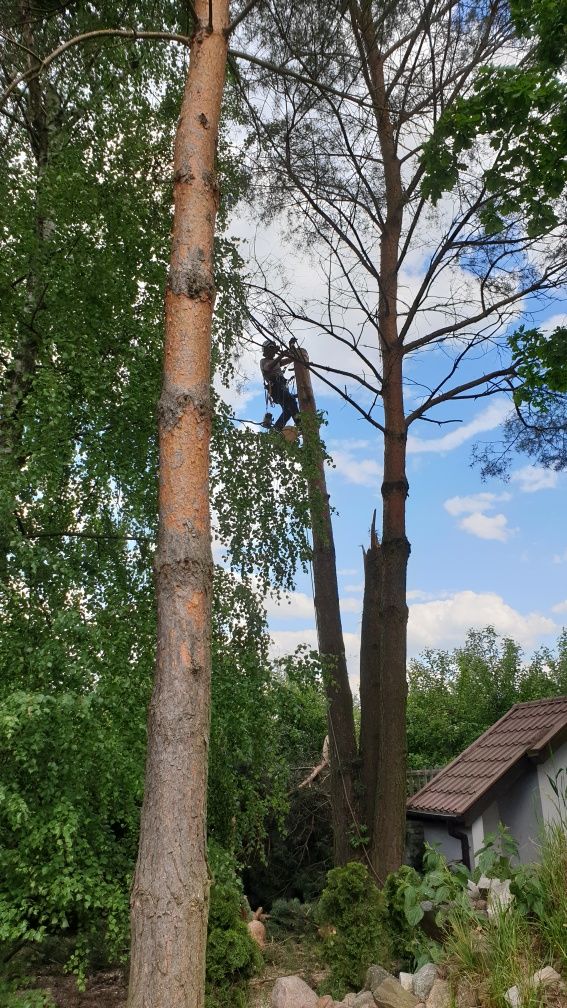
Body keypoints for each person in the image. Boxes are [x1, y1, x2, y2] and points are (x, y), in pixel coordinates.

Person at [260, 340, 300, 430]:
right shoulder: (264, 361)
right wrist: (281, 355)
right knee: (291, 401)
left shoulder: (276, 362)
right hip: (276, 387)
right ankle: (300, 424)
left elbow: (293, 357)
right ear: (265, 350)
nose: (274, 351)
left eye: (274, 348)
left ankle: (276, 429)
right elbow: (268, 368)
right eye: (271, 348)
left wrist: (291, 347)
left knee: (288, 411)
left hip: (282, 387)